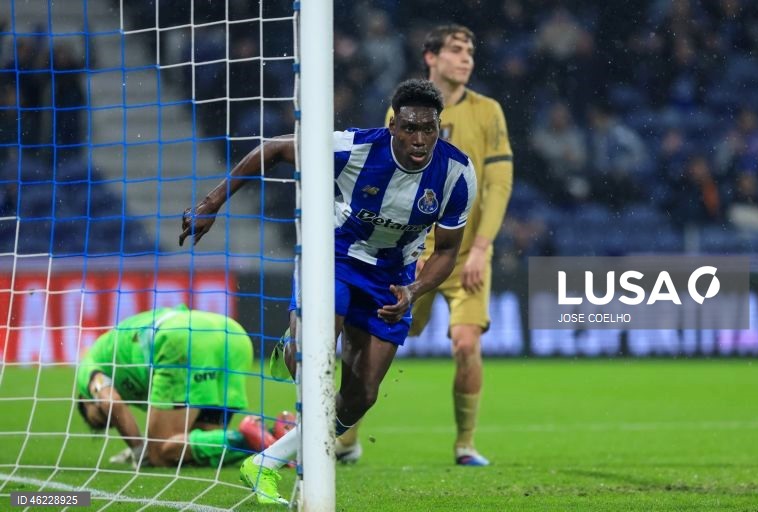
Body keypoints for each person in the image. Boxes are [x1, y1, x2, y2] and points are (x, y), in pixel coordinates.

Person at [179, 78, 476, 504]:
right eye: (410, 127)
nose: (419, 138)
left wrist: (415, 289)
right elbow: (275, 148)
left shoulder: (455, 173)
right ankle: (296, 344)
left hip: (391, 278)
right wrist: (212, 203)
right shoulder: (354, 148)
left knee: (362, 396)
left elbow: (447, 250)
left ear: (438, 128)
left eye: (428, 129)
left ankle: (266, 460)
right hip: (332, 259)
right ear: (393, 124)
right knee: (313, 363)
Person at [337, 24, 513, 467]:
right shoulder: (403, 111)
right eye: (456, 50)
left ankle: (465, 444)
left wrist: (482, 247)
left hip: (465, 252)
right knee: (369, 339)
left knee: (466, 343)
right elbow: (379, 176)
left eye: (471, 50)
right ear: (430, 57)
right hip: (407, 255)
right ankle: (344, 436)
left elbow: (499, 183)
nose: (466, 58)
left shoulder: (488, 111)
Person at [76, 304, 270, 468]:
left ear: (85, 399)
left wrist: (139, 450)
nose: (112, 421)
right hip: (232, 334)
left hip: (181, 340)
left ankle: (246, 440)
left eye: (99, 416)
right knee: (196, 444)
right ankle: (270, 439)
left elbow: (112, 403)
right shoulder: (119, 349)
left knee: (159, 452)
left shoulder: (88, 367)